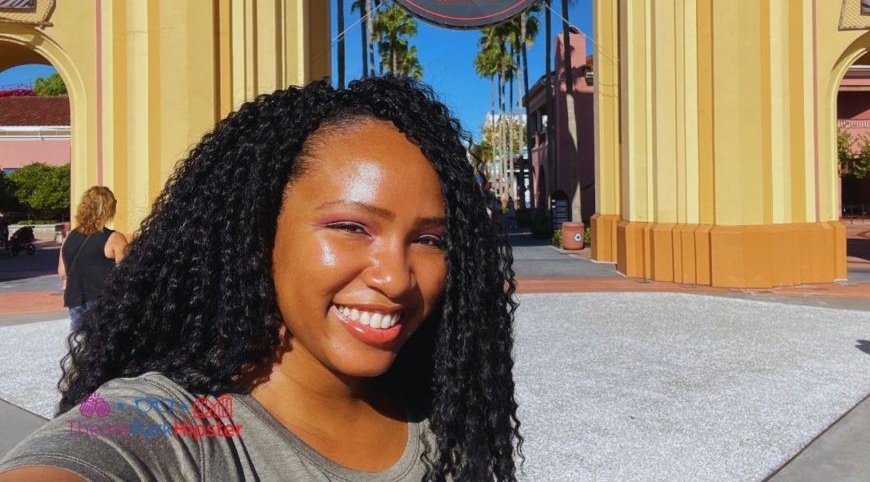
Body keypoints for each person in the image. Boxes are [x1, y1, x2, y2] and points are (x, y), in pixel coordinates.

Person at [0, 77, 521, 481]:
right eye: (350, 227)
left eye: (430, 240)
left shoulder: (444, 411)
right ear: (258, 230)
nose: (396, 278)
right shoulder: (161, 422)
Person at [57, 186, 128, 330]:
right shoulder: (115, 238)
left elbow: (62, 272)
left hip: (75, 300)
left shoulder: (69, 238)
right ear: (108, 208)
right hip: (104, 302)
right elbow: (127, 274)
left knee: (82, 344)